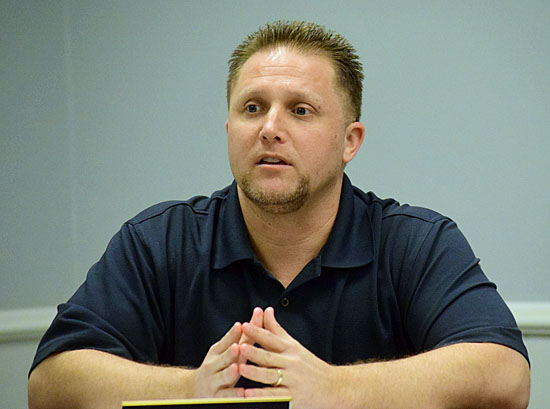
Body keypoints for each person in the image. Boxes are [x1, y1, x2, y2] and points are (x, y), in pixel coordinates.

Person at [28, 20, 530, 409]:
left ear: (349, 142)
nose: (269, 128)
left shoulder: (416, 242)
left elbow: (505, 377)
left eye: (301, 110)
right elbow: (50, 384)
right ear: (228, 129)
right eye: (252, 108)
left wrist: (334, 387)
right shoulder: (159, 242)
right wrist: (190, 389)